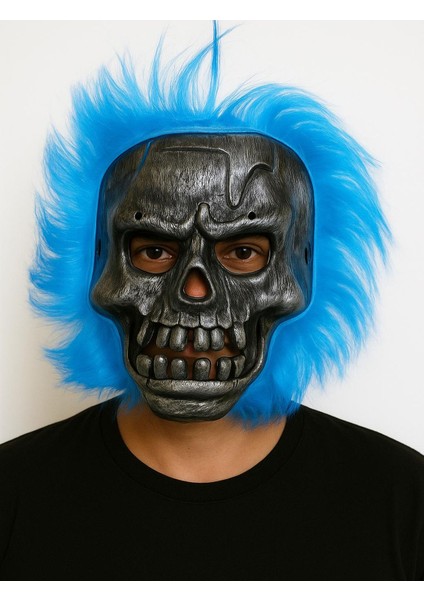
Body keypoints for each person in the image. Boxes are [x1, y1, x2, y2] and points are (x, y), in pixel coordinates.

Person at [1, 26, 423, 581]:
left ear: (302, 265)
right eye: (154, 250)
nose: (194, 291)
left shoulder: (402, 500)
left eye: (243, 252)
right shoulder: (13, 493)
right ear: (100, 260)